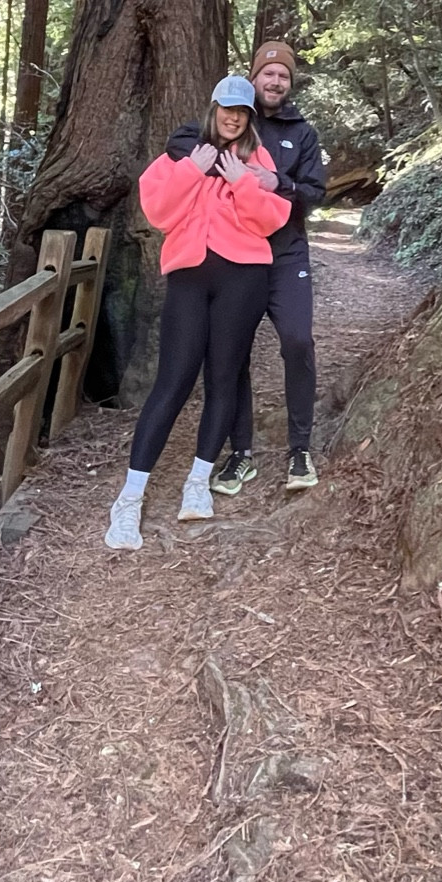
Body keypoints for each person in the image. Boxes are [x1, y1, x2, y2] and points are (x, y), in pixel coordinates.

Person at [104, 76, 291, 551]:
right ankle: (129, 500)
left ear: (249, 117)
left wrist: (241, 182)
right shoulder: (180, 154)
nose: (234, 117)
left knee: (224, 377)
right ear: (213, 108)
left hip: (244, 279)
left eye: (242, 111)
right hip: (189, 278)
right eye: (227, 108)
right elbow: (157, 212)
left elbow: (272, 219)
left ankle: (198, 481)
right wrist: (193, 170)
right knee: (173, 381)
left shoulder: (256, 159)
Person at [212, 41, 327, 493]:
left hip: (286, 254)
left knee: (297, 341)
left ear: (290, 82)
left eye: (283, 75)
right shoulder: (234, 121)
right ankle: (240, 453)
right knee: (232, 351)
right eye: (268, 74)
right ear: (254, 77)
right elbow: (189, 144)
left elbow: (316, 193)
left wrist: (278, 181)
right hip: (238, 253)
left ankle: (300, 448)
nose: (275, 82)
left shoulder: (303, 134)